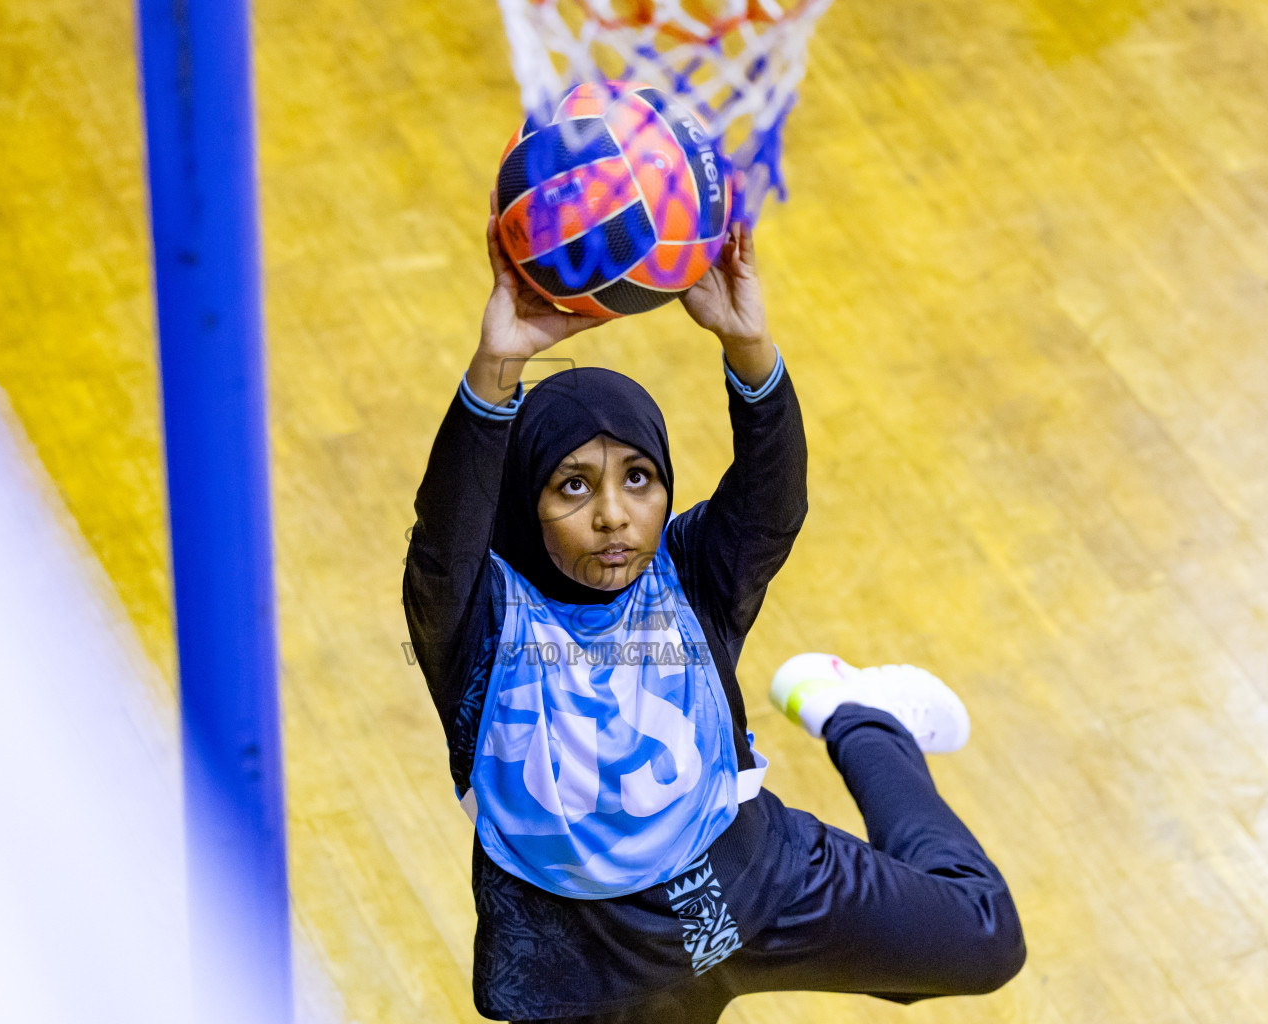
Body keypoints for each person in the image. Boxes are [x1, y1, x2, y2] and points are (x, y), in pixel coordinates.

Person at [402, 211, 1026, 1023]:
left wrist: (747, 347)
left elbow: (773, 502)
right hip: (585, 966)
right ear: (526, 502)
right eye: (574, 486)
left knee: (986, 938)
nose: (615, 516)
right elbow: (444, 540)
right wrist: (496, 366)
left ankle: (863, 721)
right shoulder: (479, 619)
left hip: (750, 885)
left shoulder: (690, 573)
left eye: (638, 478)